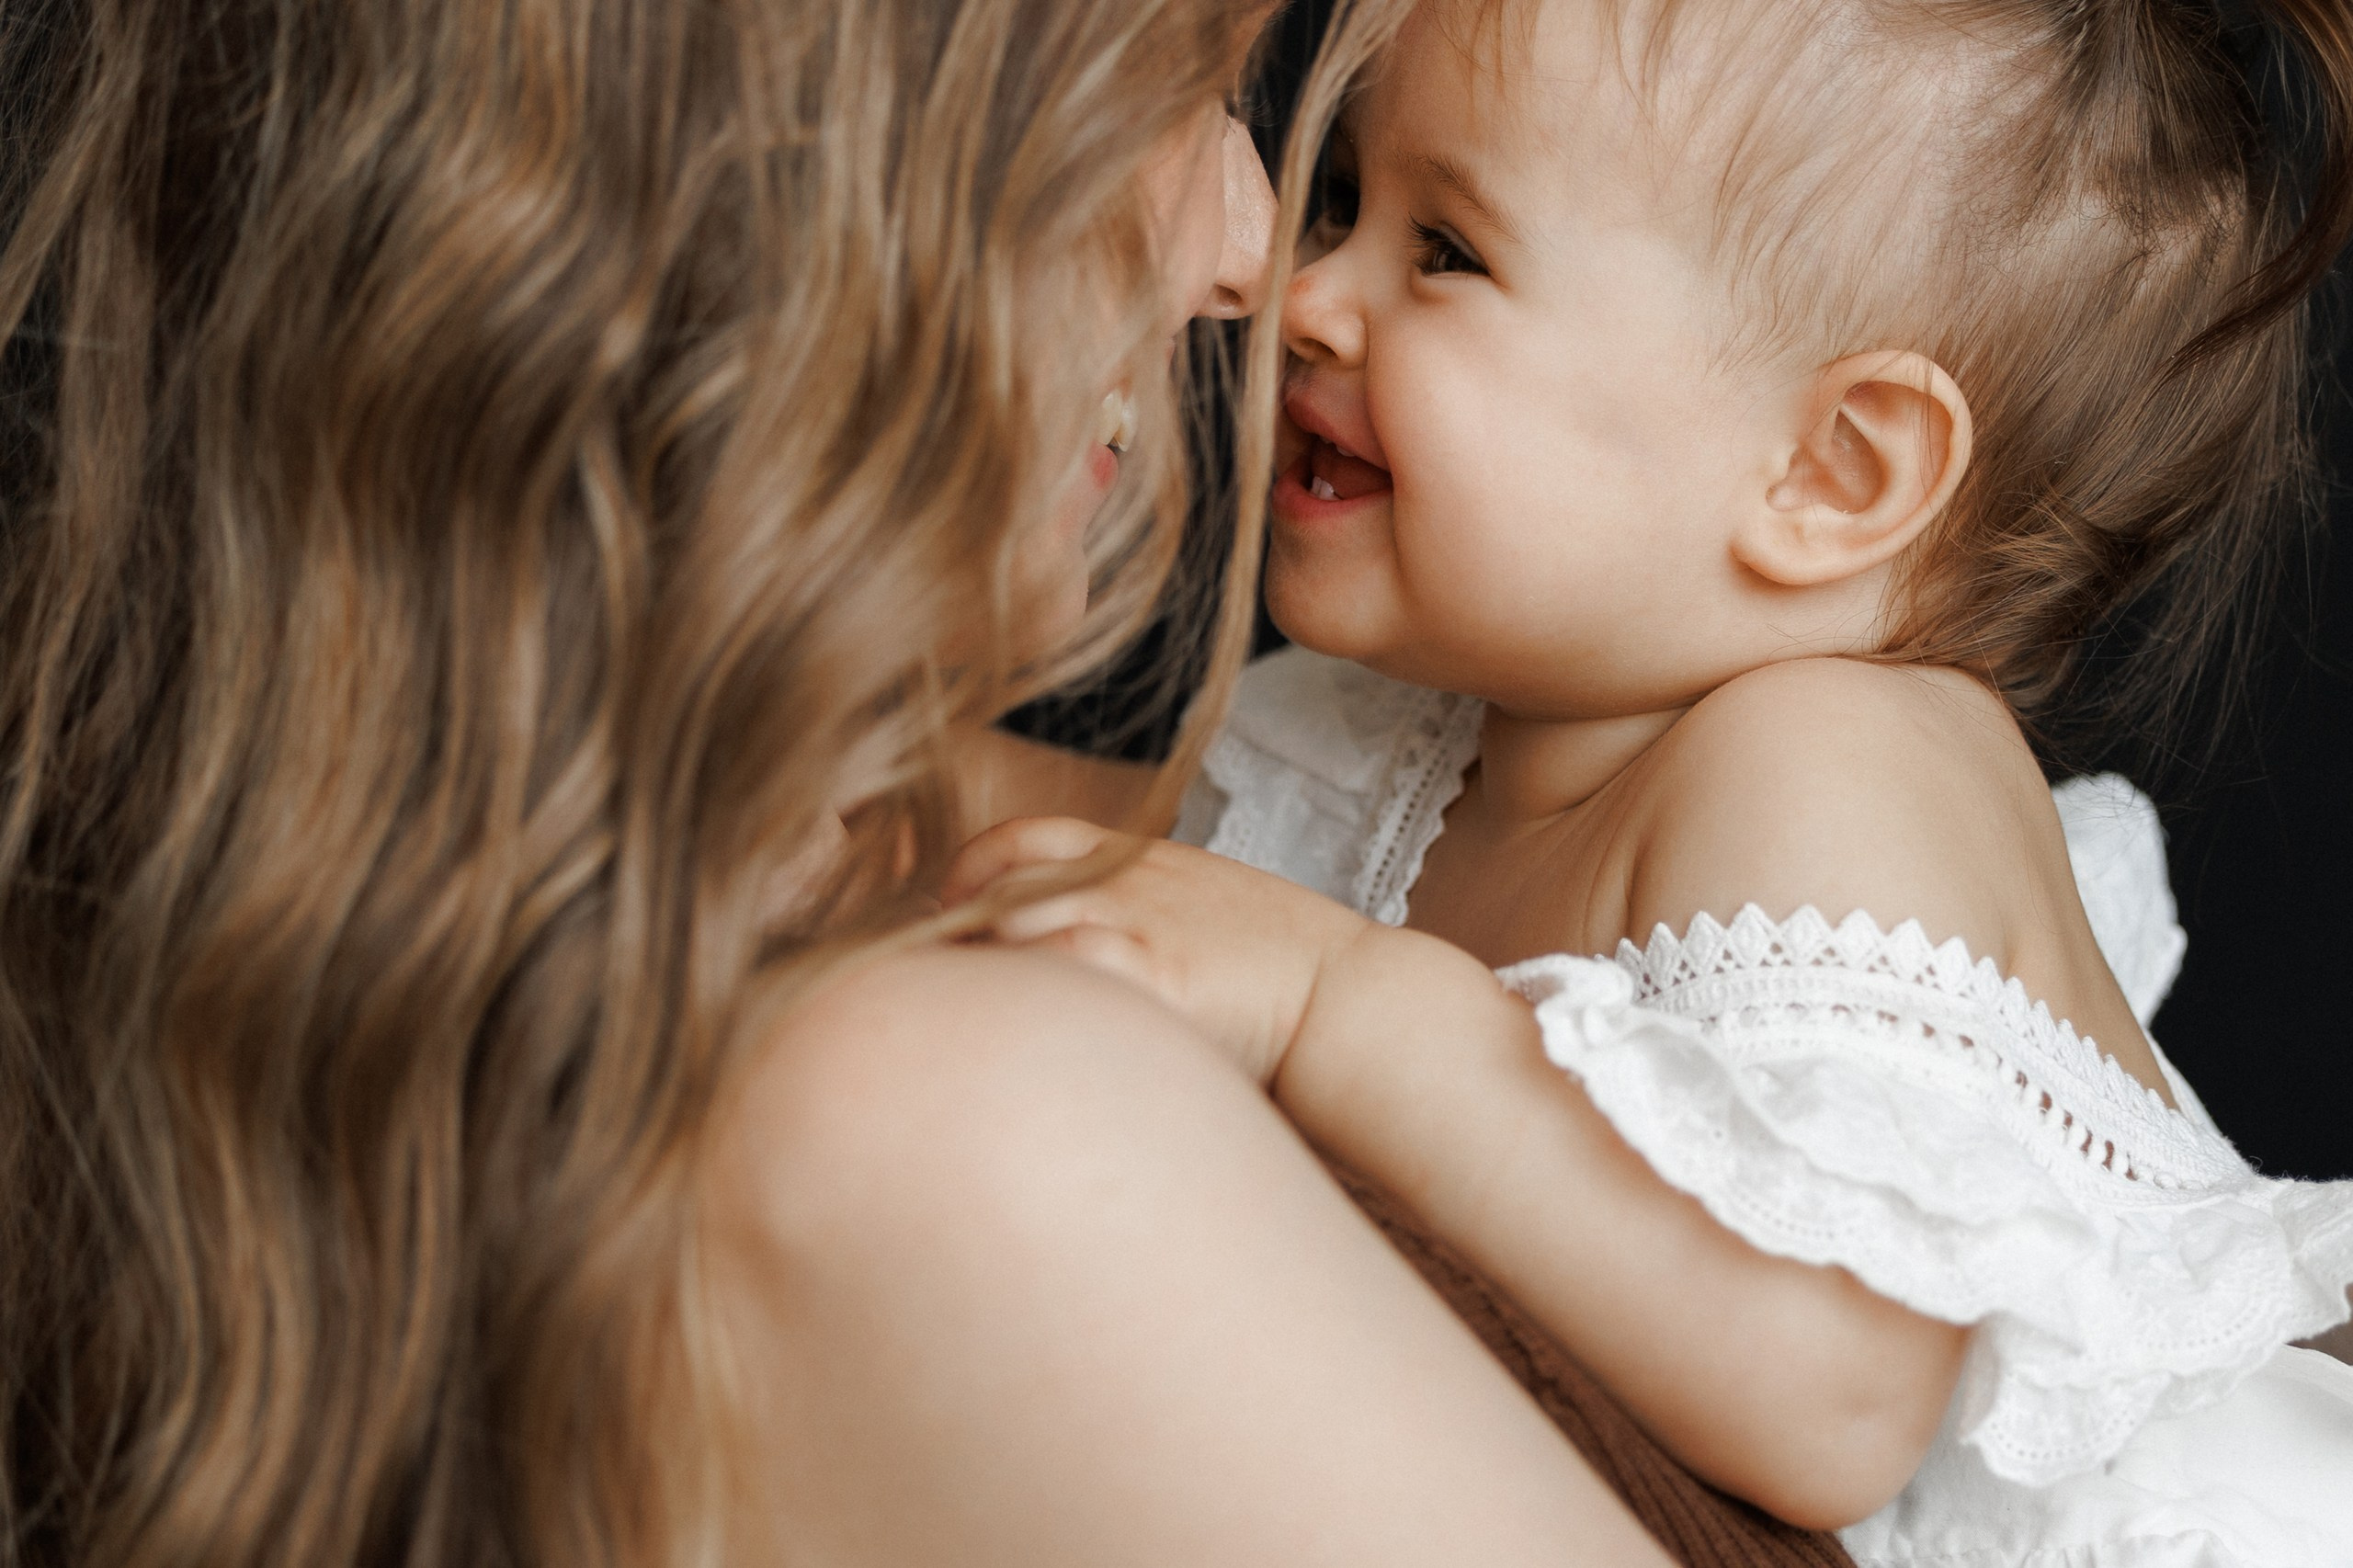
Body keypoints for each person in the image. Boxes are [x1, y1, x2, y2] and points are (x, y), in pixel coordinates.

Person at [0, 0, 1788, 1560]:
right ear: (760, 173)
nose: (1256, 253)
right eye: (1171, 88)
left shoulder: (238, 1010)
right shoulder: (926, 1127)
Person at [949, 0, 2353, 1562]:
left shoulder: (1829, 759)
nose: (1308, 291)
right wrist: (882, 788)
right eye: (1346, 199)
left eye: (1446, 253)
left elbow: (1831, 1389)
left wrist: (1328, 999)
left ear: (1834, 471)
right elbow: (1135, 873)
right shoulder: (1436, 724)